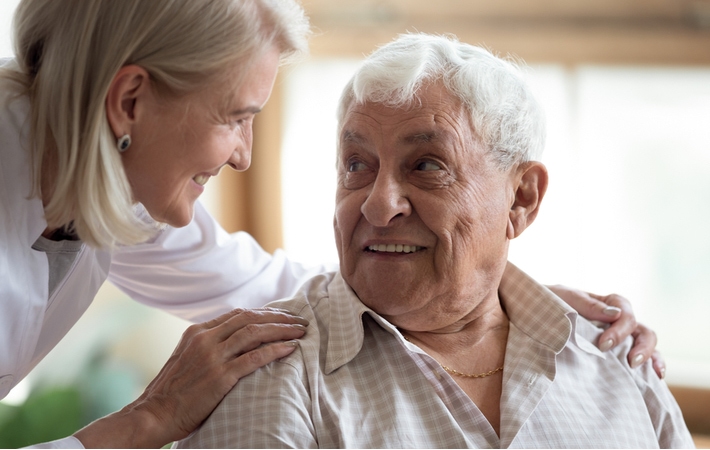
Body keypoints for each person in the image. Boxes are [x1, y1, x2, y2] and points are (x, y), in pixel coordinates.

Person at [0, 0, 660, 447]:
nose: (242, 154)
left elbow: (274, 282)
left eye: (426, 165)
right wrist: (147, 420)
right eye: (235, 115)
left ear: (523, 198)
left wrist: (509, 297)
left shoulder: (119, 191)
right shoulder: (284, 387)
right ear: (130, 102)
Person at [177, 33, 694, 448]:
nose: (378, 206)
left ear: (521, 200)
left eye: (426, 166)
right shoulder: (270, 374)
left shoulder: (616, 356)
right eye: (357, 165)